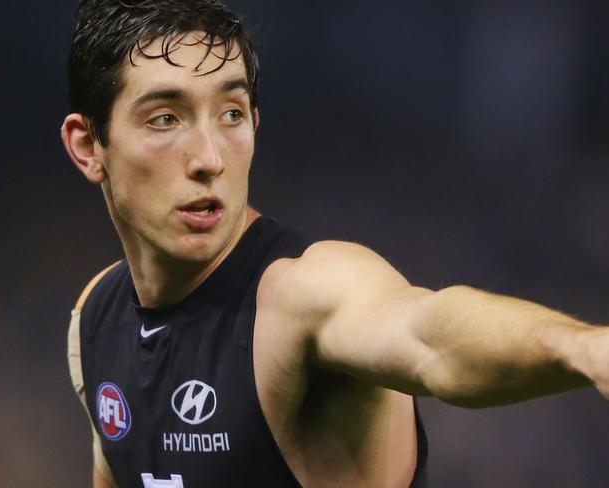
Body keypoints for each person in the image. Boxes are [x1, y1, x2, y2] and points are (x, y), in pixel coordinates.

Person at [61, 1, 609, 487]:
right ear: (89, 146)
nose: (210, 158)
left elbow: (430, 334)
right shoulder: (96, 322)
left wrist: (578, 348)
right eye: (165, 119)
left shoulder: (302, 294)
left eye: (231, 114)